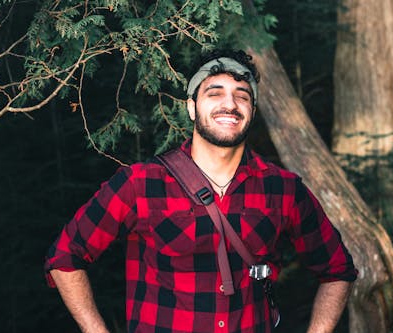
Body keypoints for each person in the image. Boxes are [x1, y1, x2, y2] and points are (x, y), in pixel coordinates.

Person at [45, 49, 358, 333]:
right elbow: (65, 257)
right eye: (214, 93)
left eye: (242, 95)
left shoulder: (283, 189)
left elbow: (338, 270)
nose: (229, 104)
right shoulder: (140, 183)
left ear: (252, 110)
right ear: (192, 107)